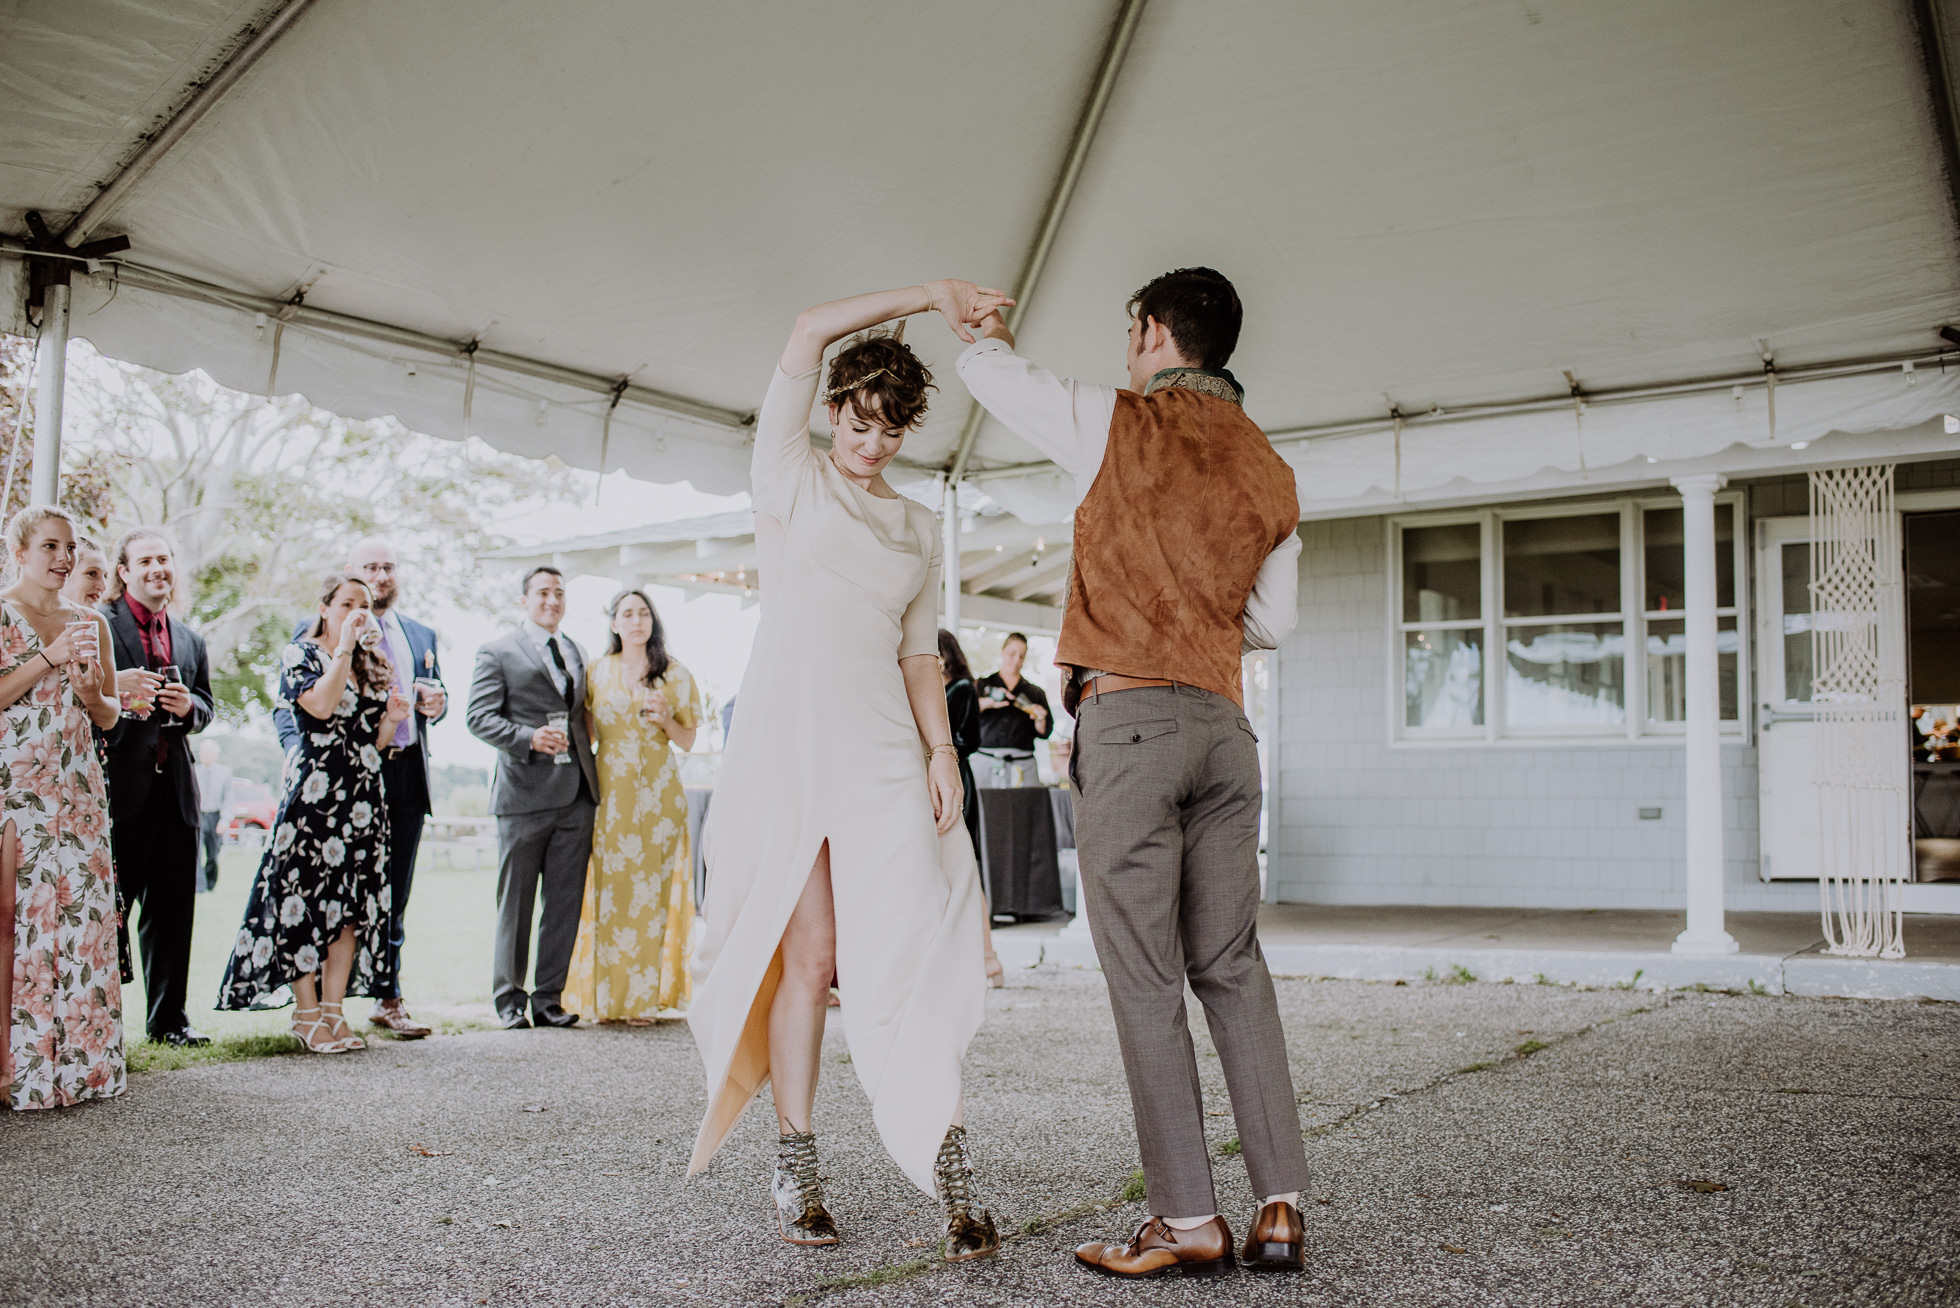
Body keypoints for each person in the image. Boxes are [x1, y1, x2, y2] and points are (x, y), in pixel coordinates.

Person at [957, 267, 1310, 1277]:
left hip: (1133, 723)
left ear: (1154, 332)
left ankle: (1188, 1219)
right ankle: (1278, 1206)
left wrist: (977, 332)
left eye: (1130, 332)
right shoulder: (1270, 469)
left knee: (1147, 973)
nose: (1125, 350)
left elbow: (996, 379)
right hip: (1226, 730)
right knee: (1230, 963)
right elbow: (1272, 623)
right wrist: (1199, 607)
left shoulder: (1113, 422)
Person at [687, 282, 1009, 1261]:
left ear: (907, 431)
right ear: (833, 412)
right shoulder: (788, 472)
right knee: (814, 959)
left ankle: (952, 1179)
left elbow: (921, 653)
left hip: (880, 746)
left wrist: (941, 753)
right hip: (787, 743)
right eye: (858, 421)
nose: (870, 442)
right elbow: (802, 329)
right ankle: (798, 1164)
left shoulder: (916, 526)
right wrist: (930, 295)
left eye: (889, 428)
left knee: (907, 945)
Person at [218, 573, 408, 1051]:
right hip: (314, 796)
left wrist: (392, 719)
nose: (357, 612)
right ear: (325, 608)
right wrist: (343, 648)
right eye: (347, 603)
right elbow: (321, 708)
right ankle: (305, 1016)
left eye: (364, 606)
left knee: (348, 910)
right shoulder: (300, 654)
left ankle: (333, 1012)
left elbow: (373, 743)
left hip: (363, 798)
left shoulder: (374, 663)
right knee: (301, 901)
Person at [276, 537, 446, 1039]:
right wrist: (299, 757)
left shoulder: (419, 633)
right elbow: (295, 708)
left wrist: (431, 705)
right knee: (314, 892)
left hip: (398, 769)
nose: (382, 574)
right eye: (371, 567)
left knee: (383, 893)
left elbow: (406, 706)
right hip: (325, 780)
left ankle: (386, 997)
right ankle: (313, 1008)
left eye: (389, 566)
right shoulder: (310, 640)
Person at [0, 506, 125, 1109]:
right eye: (50, 546)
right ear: (20, 550)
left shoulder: (90, 621)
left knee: (80, 922)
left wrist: (92, 692)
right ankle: (13, 1069)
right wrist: (47, 660)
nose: (64, 558)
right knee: (16, 923)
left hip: (77, 788)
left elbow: (108, 716)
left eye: (70, 547)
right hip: (14, 787)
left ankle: (79, 1067)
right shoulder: (2, 613)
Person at [466, 566, 598, 1030]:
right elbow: (478, 717)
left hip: (577, 795)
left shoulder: (577, 650)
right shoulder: (497, 651)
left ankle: (548, 1000)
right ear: (525, 599)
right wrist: (527, 737)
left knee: (564, 903)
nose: (552, 600)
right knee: (517, 904)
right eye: (543, 592)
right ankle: (508, 1001)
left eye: (560, 593)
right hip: (521, 796)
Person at [563, 589, 701, 1024]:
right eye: (627, 613)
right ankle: (606, 1000)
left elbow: (689, 741)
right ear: (614, 622)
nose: (636, 620)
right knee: (611, 892)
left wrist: (665, 721)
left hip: (660, 794)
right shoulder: (596, 671)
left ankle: (643, 998)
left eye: (644, 613)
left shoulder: (675, 674)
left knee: (652, 895)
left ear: (653, 621)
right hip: (611, 793)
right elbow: (586, 735)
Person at [100, 527, 215, 1048]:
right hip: (118, 791)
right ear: (124, 571)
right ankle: (100, 1025)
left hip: (177, 794)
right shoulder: (100, 623)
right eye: (144, 560)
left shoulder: (191, 638)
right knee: (109, 913)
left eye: (164, 559)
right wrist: (126, 704)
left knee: (172, 913)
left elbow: (207, 706)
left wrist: (190, 708)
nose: (157, 569)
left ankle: (169, 1021)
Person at [60, 534, 133, 986]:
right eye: (92, 573)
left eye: (104, 575)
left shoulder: (94, 628)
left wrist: (104, 692)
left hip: (90, 774)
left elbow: (107, 712)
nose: (101, 584)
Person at [939, 629, 1004, 991]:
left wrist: (939, 748)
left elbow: (971, 738)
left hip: (955, 772)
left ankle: (987, 956)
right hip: (941, 769)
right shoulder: (944, 688)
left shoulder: (962, 687)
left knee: (963, 865)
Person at [974, 632, 1052, 788]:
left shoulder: (1035, 693)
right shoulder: (982, 685)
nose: (1016, 660)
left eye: (1022, 656)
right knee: (984, 809)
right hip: (985, 762)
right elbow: (966, 715)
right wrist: (988, 702)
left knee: (1024, 809)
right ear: (1003, 652)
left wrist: (1040, 718)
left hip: (1023, 764)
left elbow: (1044, 733)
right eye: (1012, 653)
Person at [193, 740, 234, 894]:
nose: (206, 755)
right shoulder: (195, 771)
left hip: (215, 815)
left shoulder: (224, 772)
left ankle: (210, 882)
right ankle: (199, 885)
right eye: (203, 752)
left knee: (213, 854)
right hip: (199, 814)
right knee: (196, 852)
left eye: (209, 752)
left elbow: (228, 798)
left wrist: (225, 820)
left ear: (216, 755)